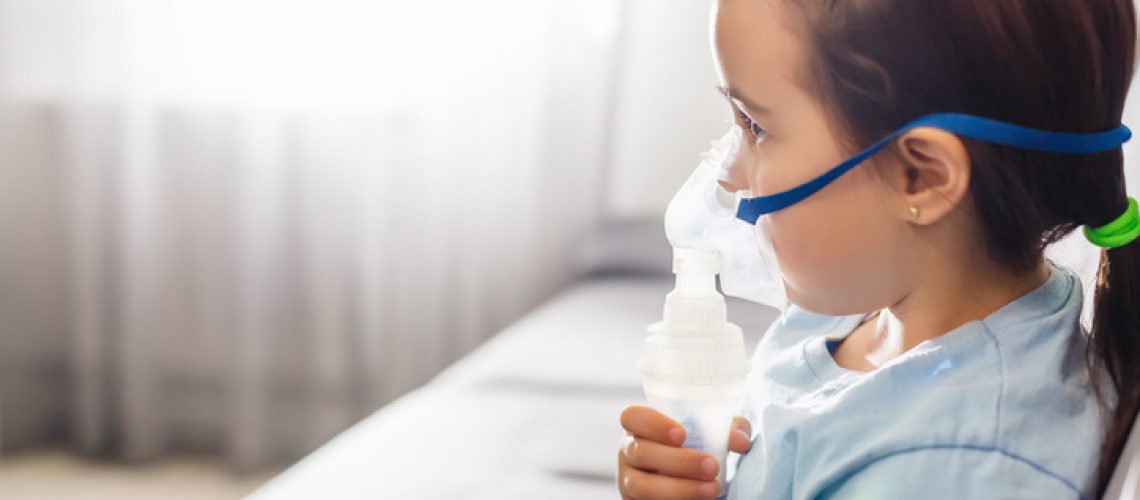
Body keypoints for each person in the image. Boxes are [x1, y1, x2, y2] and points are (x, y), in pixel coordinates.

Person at [616, 0, 1140, 498]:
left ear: (921, 177)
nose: (728, 176)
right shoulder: (859, 304)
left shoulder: (956, 471)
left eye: (756, 126)